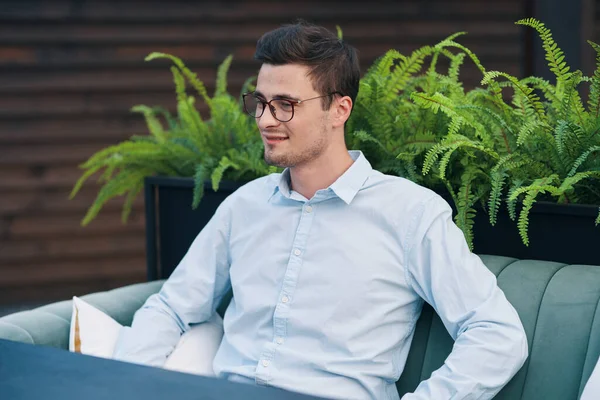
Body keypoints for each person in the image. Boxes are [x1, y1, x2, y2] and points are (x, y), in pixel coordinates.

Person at [113, 21, 528, 400]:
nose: (264, 119)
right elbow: (170, 308)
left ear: (339, 110)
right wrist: (117, 384)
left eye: (285, 104)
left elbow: (497, 335)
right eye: (259, 102)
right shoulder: (242, 207)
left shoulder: (410, 214)